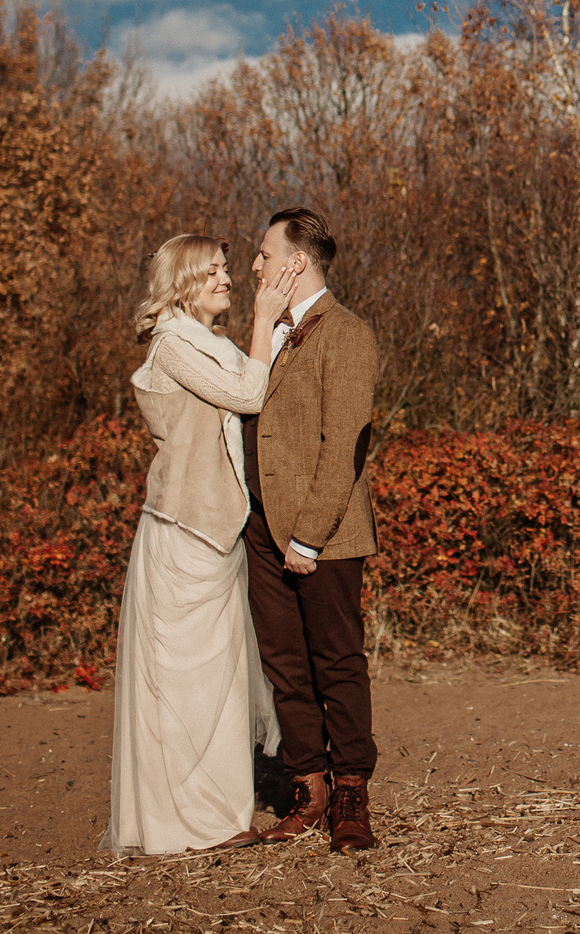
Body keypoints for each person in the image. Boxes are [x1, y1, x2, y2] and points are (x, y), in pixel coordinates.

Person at [104, 234, 301, 855]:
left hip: (212, 531)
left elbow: (244, 384)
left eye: (224, 269)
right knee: (188, 682)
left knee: (218, 680)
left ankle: (217, 815)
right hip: (184, 533)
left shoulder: (204, 342)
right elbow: (248, 394)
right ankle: (183, 825)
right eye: (213, 271)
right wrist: (267, 318)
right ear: (184, 280)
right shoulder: (174, 345)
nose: (228, 279)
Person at [242, 206, 382, 852]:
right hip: (262, 531)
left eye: (265, 254)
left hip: (323, 535)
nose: (255, 265)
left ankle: (351, 789)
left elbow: (344, 442)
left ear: (296, 262)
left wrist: (308, 537)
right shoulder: (268, 333)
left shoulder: (348, 332)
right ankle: (308, 788)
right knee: (285, 665)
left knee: (336, 661)